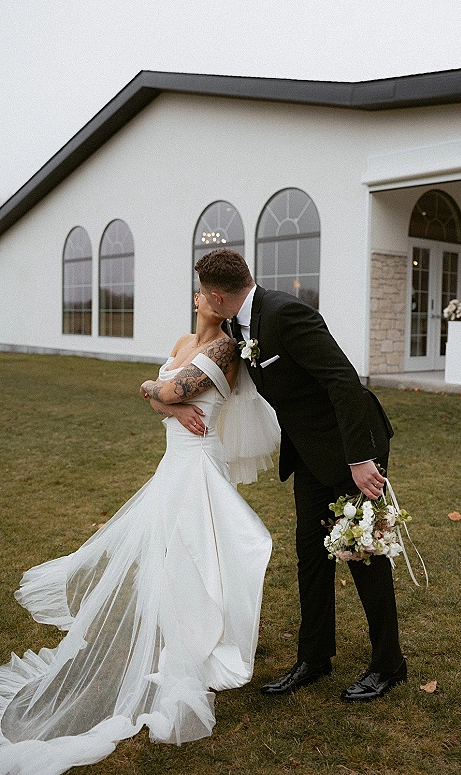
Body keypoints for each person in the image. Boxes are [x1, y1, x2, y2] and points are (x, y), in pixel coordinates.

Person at [0, 292, 279, 775]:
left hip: (198, 463)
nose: (213, 303)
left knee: (202, 552)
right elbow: (164, 402)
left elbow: (166, 392)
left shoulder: (224, 351)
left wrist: (154, 390)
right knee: (171, 554)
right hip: (173, 463)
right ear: (198, 298)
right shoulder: (182, 342)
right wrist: (164, 402)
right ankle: (180, 634)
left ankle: (203, 644)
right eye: (206, 295)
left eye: (221, 299)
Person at [182, 248, 406, 703]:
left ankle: (389, 665)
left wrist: (360, 458)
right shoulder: (237, 327)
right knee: (311, 555)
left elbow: (343, 379)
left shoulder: (285, 313)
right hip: (308, 455)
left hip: (351, 451)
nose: (201, 299)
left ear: (217, 294)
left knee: (362, 556)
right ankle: (315, 657)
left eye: (204, 293)